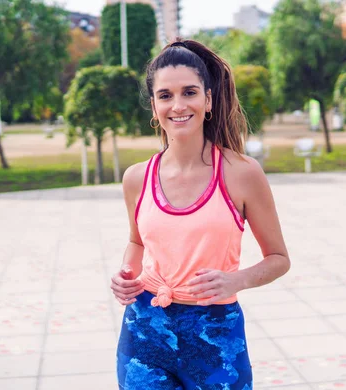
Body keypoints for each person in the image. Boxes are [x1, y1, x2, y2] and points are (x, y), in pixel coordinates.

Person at [110, 38, 291, 390]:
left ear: (207, 100)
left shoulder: (242, 173)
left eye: (189, 92)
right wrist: (126, 276)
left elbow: (279, 258)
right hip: (145, 331)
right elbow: (136, 242)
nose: (178, 105)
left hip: (215, 334)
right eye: (165, 96)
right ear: (154, 106)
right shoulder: (136, 178)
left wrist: (236, 280)